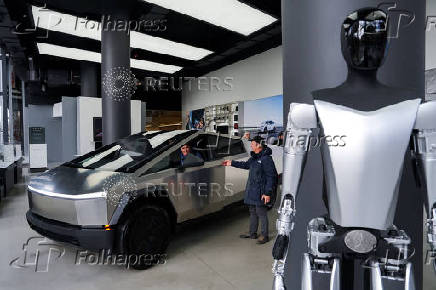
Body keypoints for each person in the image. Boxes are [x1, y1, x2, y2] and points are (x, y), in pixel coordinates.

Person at [222, 136, 278, 244]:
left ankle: (264, 235)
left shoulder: (266, 159)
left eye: (252, 144)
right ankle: (252, 233)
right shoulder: (254, 157)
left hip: (261, 192)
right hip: (252, 190)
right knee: (252, 212)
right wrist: (231, 163)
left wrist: (267, 193)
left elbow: (272, 177)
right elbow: (246, 165)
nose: (251, 145)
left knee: (261, 213)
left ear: (259, 145)